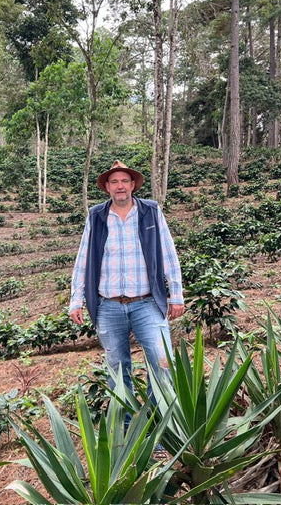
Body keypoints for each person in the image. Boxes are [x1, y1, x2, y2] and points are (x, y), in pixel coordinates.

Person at [69, 159, 184, 395]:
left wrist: (177, 294)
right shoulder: (96, 216)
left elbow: (168, 252)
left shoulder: (150, 211)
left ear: (133, 185)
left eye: (124, 181)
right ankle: (127, 428)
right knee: (117, 369)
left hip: (147, 303)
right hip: (108, 306)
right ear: (107, 187)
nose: (120, 186)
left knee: (162, 362)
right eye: (114, 182)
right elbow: (83, 259)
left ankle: (160, 423)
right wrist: (75, 299)